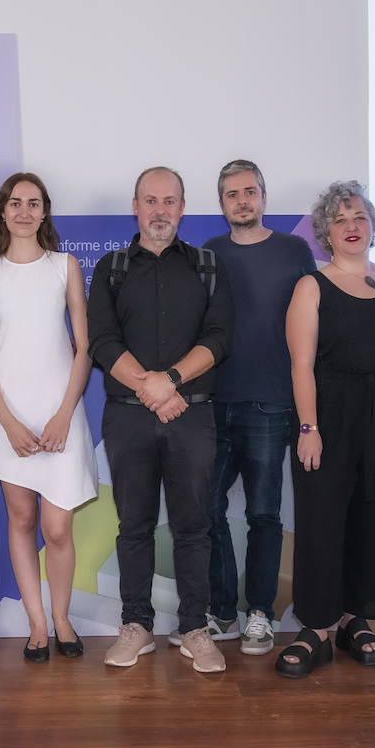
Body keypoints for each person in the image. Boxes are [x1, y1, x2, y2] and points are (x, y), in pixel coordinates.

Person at [87, 166, 234, 674]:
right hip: (128, 418)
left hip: (191, 417)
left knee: (194, 526)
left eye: (169, 201)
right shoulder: (110, 268)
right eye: (150, 201)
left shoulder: (207, 266)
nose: (160, 211)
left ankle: (194, 628)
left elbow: (218, 338)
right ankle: (136, 626)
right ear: (135, 206)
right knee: (134, 527)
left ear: (182, 208)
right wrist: (152, 390)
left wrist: (167, 381)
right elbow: (103, 343)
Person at [276, 181, 375, 678]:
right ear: (326, 233)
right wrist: (309, 427)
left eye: (359, 217)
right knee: (323, 520)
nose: (351, 226)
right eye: (340, 220)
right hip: (331, 419)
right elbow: (301, 366)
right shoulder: (311, 286)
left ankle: (352, 619)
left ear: (373, 225)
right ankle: (315, 627)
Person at [0, 173, 98, 662]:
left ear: (45, 212)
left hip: (60, 413)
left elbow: (83, 348)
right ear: (3, 211)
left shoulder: (65, 267)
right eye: (15, 203)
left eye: (34, 203)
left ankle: (62, 616)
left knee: (57, 528)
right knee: (20, 519)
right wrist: (10, 423)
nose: (24, 211)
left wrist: (65, 415)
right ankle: (38, 624)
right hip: (9, 417)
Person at [202, 160, 316, 655]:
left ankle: (260, 615)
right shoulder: (210, 252)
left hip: (272, 404)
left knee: (265, 515)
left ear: (264, 198)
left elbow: (315, 324)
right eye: (232, 194)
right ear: (222, 203)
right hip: (212, 403)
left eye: (250, 192)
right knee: (205, 508)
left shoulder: (294, 250)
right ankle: (223, 611)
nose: (242, 201)